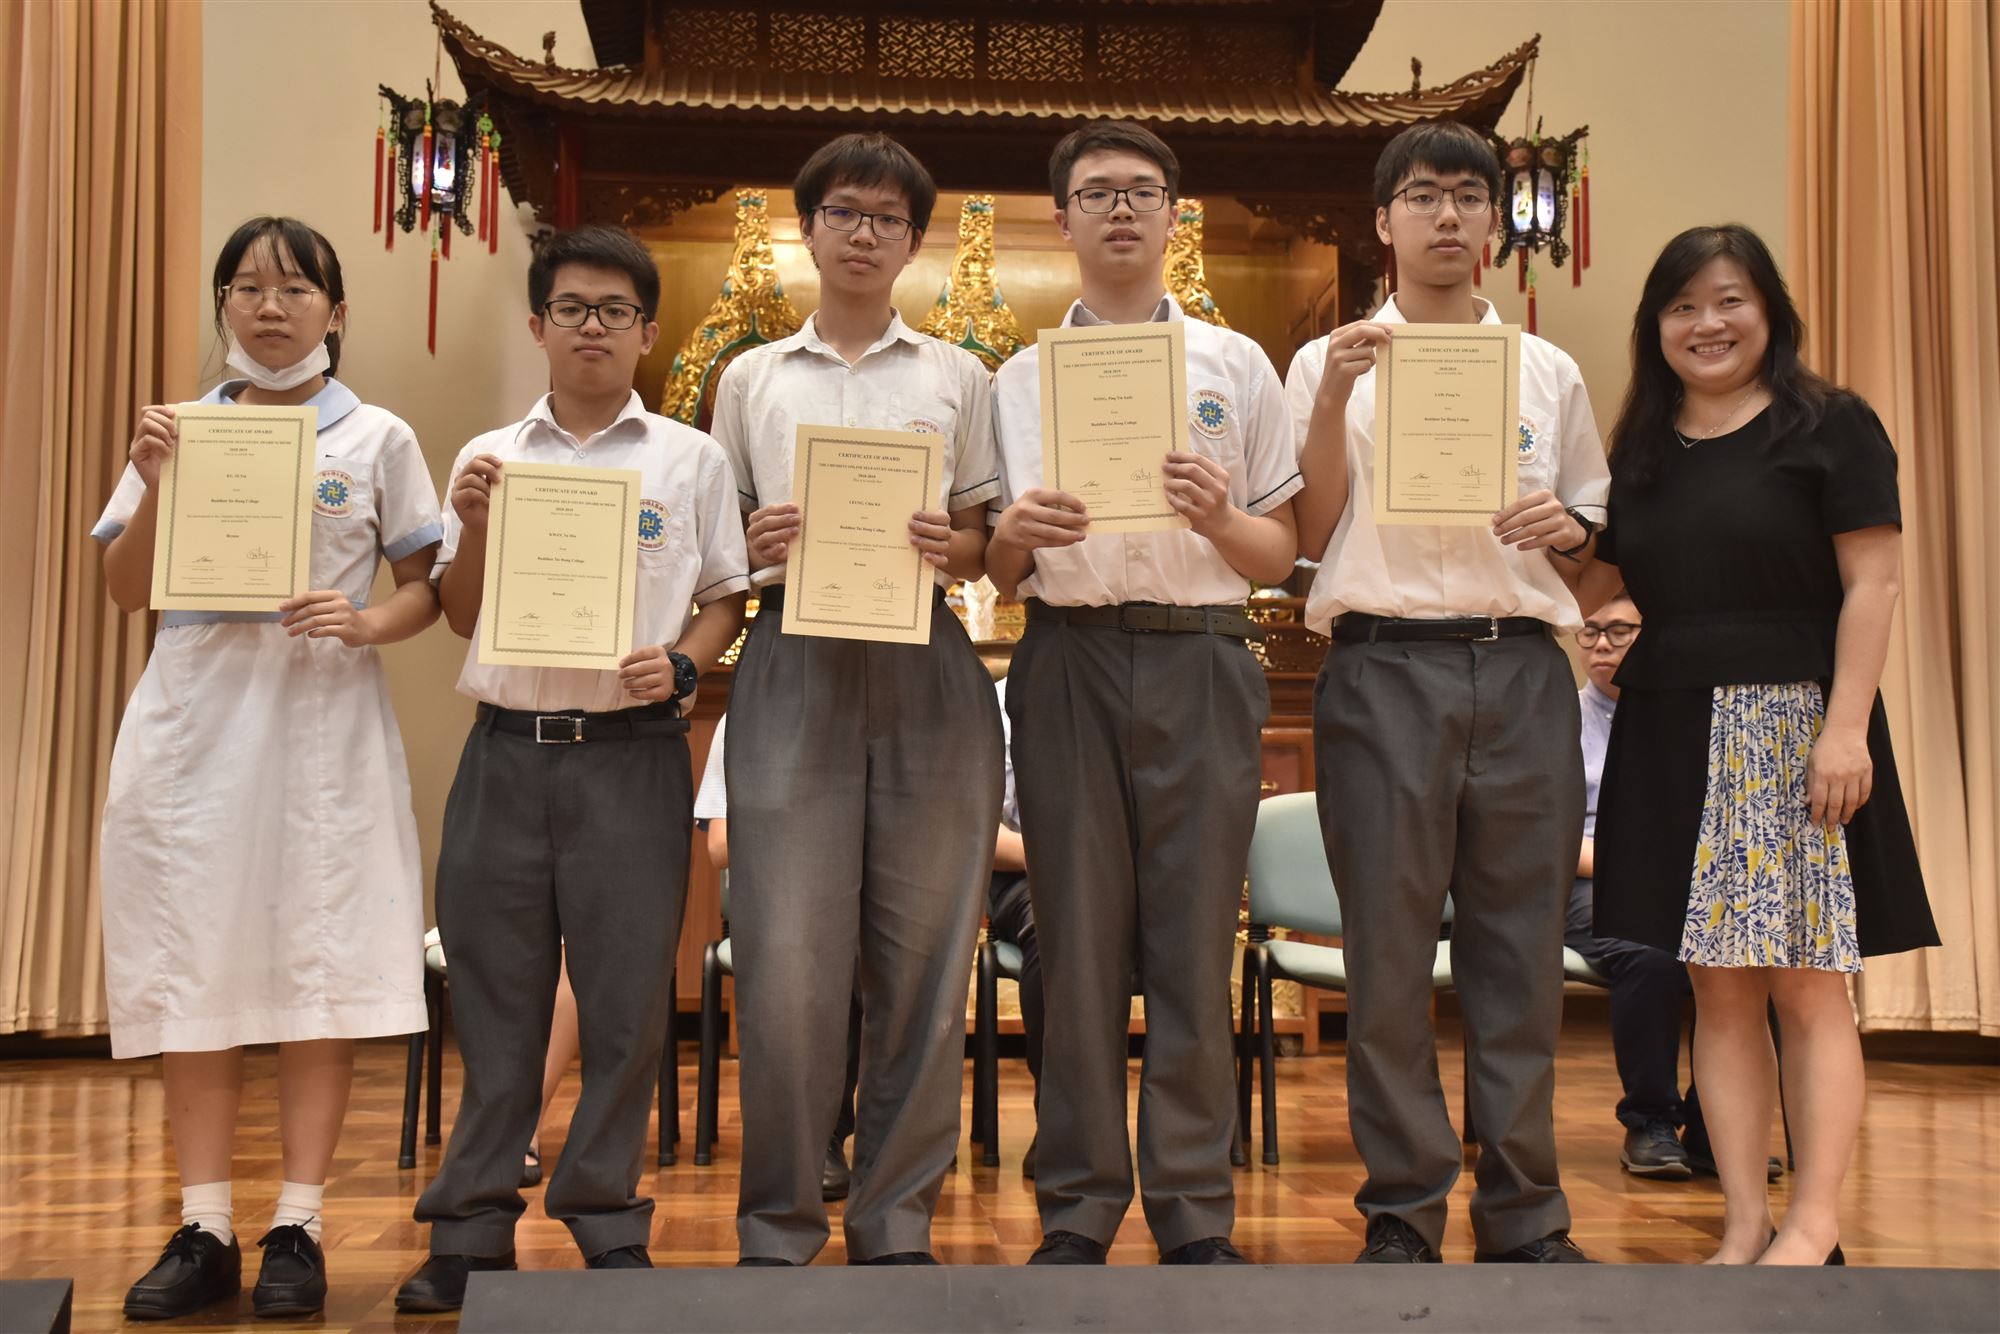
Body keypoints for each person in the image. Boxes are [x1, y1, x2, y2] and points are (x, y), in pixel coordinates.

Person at [396, 225, 748, 1310]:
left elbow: (723, 602)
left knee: (627, 1002)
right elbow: (460, 615)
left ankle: (603, 1214)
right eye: (572, 308)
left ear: (647, 330)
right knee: (495, 997)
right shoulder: (490, 457)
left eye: (615, 311)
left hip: (632, 758)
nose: (593, 326)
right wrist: (471, 526)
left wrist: (682, 667)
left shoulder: (690, 460)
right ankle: (470, 1225)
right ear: (538, 324)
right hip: (506, 752)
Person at [95, 217, 440, 1320]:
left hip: (319, 720)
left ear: (335, 310)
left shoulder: (378, 435)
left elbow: (427, 589)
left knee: (315, 966)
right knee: (192, 966)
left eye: (294, 287)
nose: (270, 306)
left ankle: (299, 1223)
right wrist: (156, 478)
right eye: (247, 287)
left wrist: (365, 621)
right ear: (223, 306)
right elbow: (124, 590)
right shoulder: (179, 428)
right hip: (194, 729)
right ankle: (204, 1225)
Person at [1583, 224, 1938, 1266]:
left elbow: (1873, 582)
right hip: (1669, 724)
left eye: (1729, 299)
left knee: (1805, 980)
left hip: (1791, 724)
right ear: (1655, 326)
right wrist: (1552, 538)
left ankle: (1813, 1220)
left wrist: (1844, 728)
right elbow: (1599, 586)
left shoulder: (1829, 424)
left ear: (1770, 310)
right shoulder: (1640, 450)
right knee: (1714, 984)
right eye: (1682, 306)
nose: (1708, 323)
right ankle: (1743, 1220)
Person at [1284, 120, 1606, 1265]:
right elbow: (1307, 533)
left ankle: (1524, 1213)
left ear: (1490, 223)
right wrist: (1331, 399)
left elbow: (1588, 537)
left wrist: (1567, 526)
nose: (1447, 215)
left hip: (1520, 667)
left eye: (1468, 196)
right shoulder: (1328, 362)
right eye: (1421, 195)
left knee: (1517, 959)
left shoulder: (1544, 370)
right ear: (1382, 220)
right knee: (1385, 957)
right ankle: (1401, 1208)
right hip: (1378, 666)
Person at [989, 119, 1300, 1266]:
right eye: (1094, 192)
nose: (1118, 209)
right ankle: (1076, 1204)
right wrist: (1014, 535)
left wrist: (1219, 517)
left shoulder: (1234, 364)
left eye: (1139, 191)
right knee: (1072, 945)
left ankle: (1191, 1209)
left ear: (1174, 215)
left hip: (1201, 654)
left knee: (1191, 939)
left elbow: (1280, 554)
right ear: (1060, 219)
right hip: (1066, 657)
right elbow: (995, 568)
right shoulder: (1014, 381)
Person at [711, 132, 1004, 1267]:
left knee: (926, 961)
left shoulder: (957, 376)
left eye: (887, 218)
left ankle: (895, 1221)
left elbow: (981, 542)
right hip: (792, 653)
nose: (864, 233)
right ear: (808, 228)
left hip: (927, 658)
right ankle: (779, 1224)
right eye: (843, 212)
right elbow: (717, 548)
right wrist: (753, 540)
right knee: (785, 958)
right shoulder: (751, 378)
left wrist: (951, 543)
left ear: (914, 241)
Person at [693, 716, 863, 1203]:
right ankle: (806, 1140)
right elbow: (719, 846)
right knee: (811, 949)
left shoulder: (862, 719)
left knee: (865, 949)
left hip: (852, 899)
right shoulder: (742, 719)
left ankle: (855, 1137)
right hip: (778, 893)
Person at [1569, 595, 1701, 1178]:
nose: (1601, 644)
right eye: (1591, 631)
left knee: (1747, 956)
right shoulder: (1558, 720)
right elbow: (1548, 835)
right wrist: (1635, 870)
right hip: (1588, 878)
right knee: (1649, 954)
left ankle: (1716, 1127)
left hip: (1679, 880)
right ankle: (1649, 1121)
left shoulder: (1685, 718)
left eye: (1619, 631)